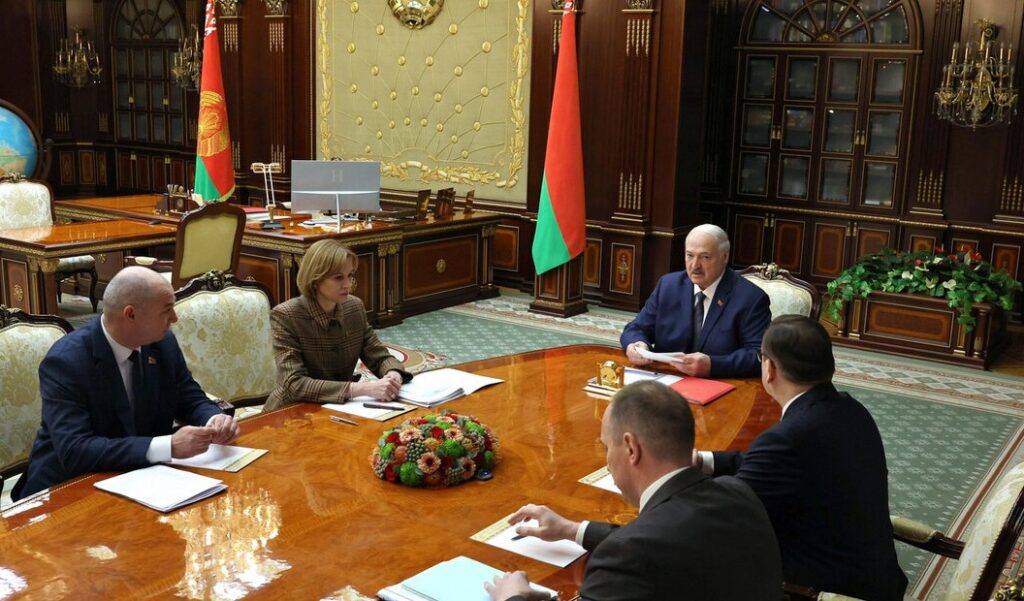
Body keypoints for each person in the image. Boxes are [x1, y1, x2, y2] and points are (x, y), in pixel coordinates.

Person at [485, 381, 782, 601]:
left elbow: (644, 549)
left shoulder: (627, 555)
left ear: (630, 448)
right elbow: (670, 546)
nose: (606, 461)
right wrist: (573, 530)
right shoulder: (738, 492)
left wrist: (512, 598)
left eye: (606, 446)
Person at [694, 315, 907, 600]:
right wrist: (704, 461)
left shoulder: (789, 437)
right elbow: (773, 468)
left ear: (769, 369)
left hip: (823, 589)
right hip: (876, 576)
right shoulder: (850, 409)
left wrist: (674, 479)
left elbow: (726, 513)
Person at [13, 266, 238, 500]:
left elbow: (188, 396)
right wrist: (168, 446)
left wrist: (213, 419)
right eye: (167, 310)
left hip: (142, 480)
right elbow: (75, 451)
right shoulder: (66, 362)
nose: (175, 318)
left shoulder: (162, 343)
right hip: (67, 490)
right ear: (130, 314)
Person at [264, 239, 410, 411]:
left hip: (340, 407)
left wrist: (393, 374)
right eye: (339, 277)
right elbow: (294, 384)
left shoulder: (354, 307)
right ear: (315, 279)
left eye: (350, 275)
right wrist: (359, 389)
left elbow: (378, 355)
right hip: (291, 411)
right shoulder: (286, 315)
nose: (348, 284)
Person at [620, 223, 770, 378]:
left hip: (721, 382)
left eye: (705, 257)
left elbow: (758, 356)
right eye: (690, 255)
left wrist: (713, 365)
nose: (695, 265)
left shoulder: (751, 298)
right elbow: (635, 328)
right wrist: (636, 344)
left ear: (725, 257)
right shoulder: (669, 286)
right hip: (666, 380)